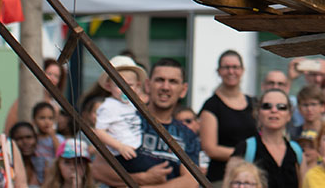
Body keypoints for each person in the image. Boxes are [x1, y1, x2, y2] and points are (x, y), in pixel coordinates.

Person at [94, 58, 202, 188]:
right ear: (147, 85)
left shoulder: (187, 134)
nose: (165, 87)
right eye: (159, 80)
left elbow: (191, 180)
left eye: (173, 82)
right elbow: (98, 169)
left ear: (183, 90)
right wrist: (142, 178)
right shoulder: (127, 118)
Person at [201, 50, 257, 185]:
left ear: (242, 70)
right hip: (222, 178)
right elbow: (210, 148)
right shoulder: (211, 105)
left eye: (235, 67)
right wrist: (247, 154)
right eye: (226, 67)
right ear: (219, 71)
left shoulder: (254, 103)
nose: (231, 71)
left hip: (252, 178)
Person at [232, 89, 304, 188]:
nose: (274, 110)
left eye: (281, 107)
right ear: (258, 113)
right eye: (267, 106)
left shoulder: (296, 151)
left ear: (289, 115)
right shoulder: (245, 148)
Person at [94, 55, 148, 163]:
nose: (125, 90)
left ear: (137, 86)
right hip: (123, 153)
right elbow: (99, 132)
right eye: (119, 85)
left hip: (139, 149)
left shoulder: (133, 104)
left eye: (130, 85)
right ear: (109, 86)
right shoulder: (109, 106)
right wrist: (120, 147)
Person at [32, 102, 64, 180]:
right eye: (42, 118)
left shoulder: (58, 138)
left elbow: (60, 154)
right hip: (37, 178)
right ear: (34, 120)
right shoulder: (34, 139)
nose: (47, 122)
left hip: (53, 178)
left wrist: (53, 136)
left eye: (50, 118)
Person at [10, 121, 46, 187]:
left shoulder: (44, 165)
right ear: (11, 142)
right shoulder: (9, 168)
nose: (25, 142)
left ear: (36, 139)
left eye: (29, 137)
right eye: (19, 139)